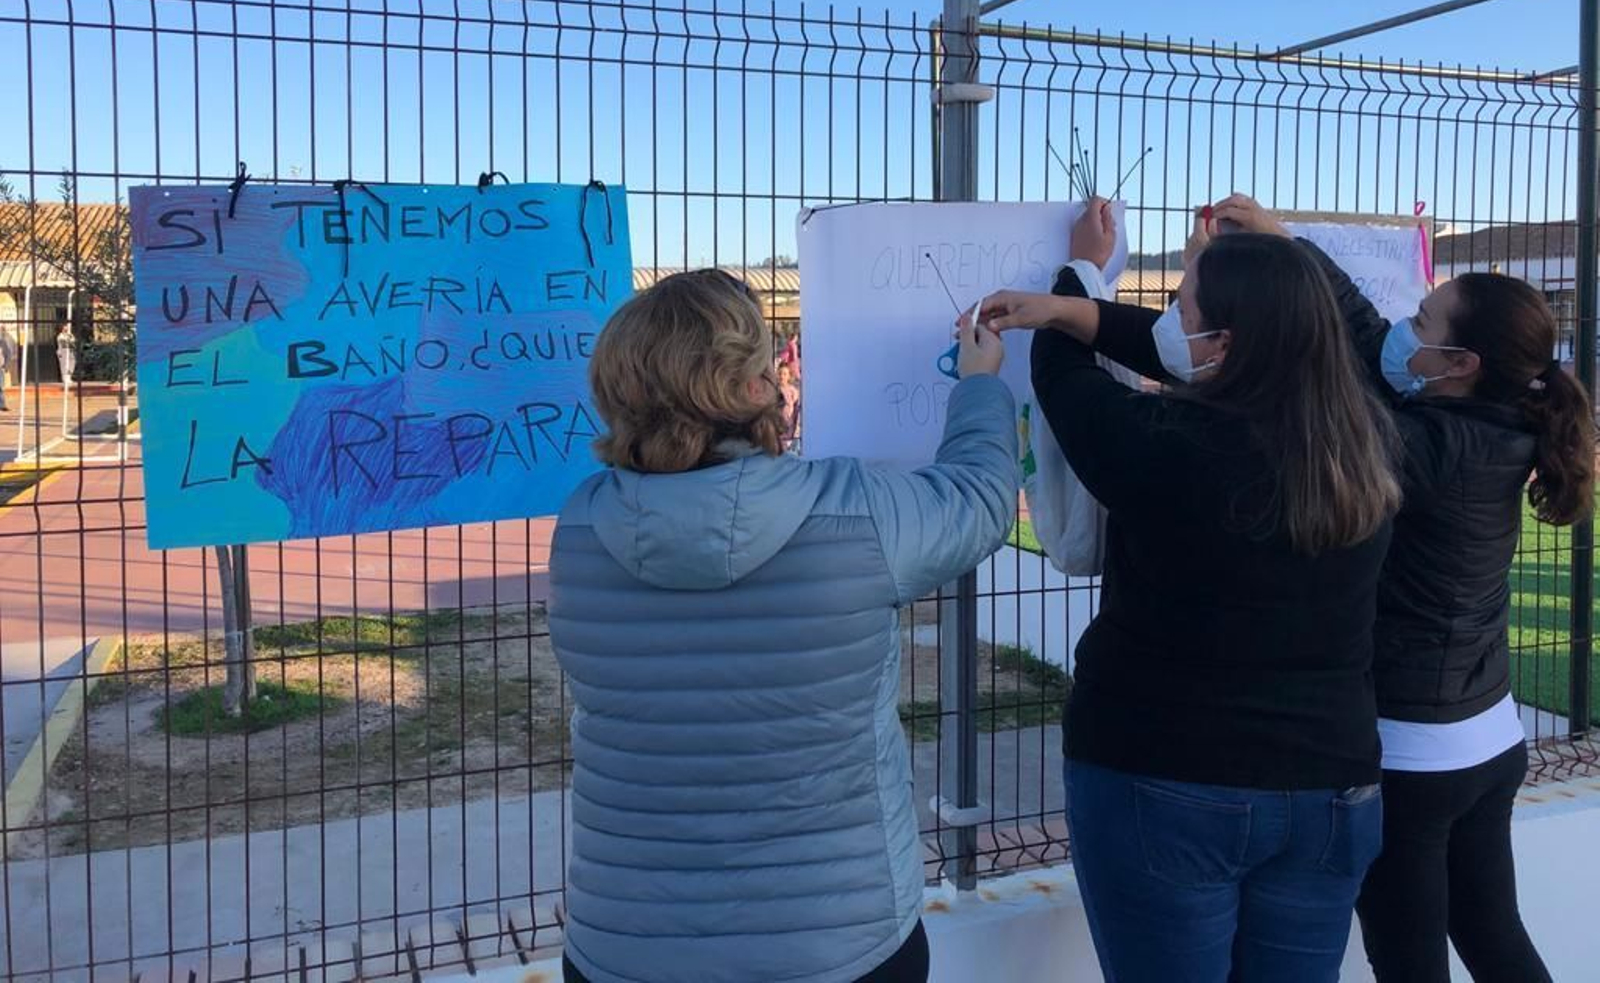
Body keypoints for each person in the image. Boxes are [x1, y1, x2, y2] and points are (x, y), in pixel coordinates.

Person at [548, 268, 1019, 983]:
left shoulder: (580, 526)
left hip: (623, 944)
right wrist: (980, 381)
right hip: (841, 944)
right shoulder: (854, 512)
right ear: (753, 388)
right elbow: (982, 499)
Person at [981, 201, 1401, 983]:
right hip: (1330, 792)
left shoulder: (1169, 445)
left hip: (1167, 781)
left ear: (1225, 343)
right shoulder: (1369, 439)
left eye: (1180, 301)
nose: (1169, 313)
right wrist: (1078, 304)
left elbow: (1063, 376)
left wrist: (1075, 275)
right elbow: (1187, 351)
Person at [1214, 193, 1593, 983]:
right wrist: (1289, 245)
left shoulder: (1422, 446)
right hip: (1488, 737)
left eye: (1422, 322)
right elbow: (1365, 337)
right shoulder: (1502, 422)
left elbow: (1332, 394)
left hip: (1415, 757)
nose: (1402, 330)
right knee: (1495, 938)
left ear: (1460, 366)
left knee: (1410, 961)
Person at [776, 359, 801, 448]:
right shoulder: (774, 389)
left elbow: (796, 410)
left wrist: (796, 429)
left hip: (788, 424)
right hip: (777, 423)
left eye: (784, 374)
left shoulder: (792, 390)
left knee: (787, 444)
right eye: (780, 373)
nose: (782, 376)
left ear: (789, 376)